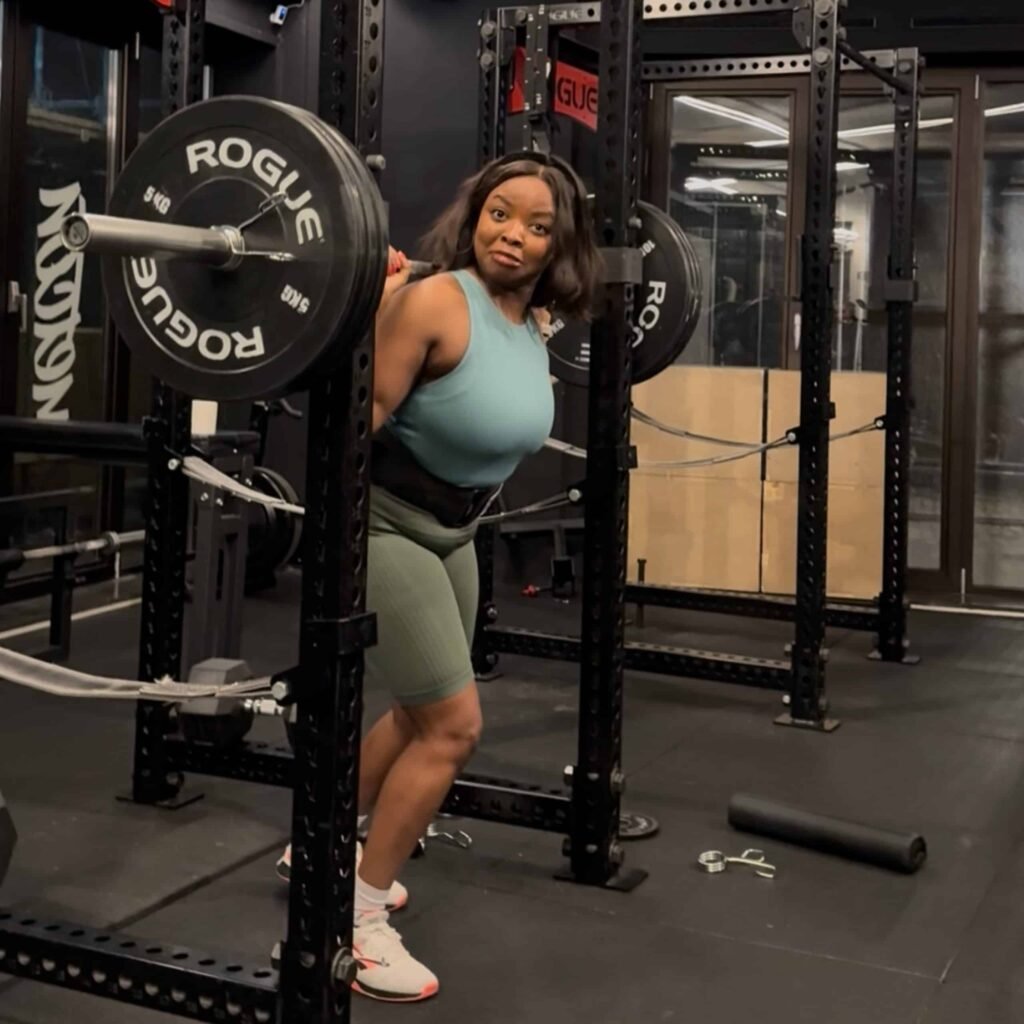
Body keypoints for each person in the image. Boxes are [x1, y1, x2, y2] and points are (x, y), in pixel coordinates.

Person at [277, 151, 600, 1003]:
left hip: (454, 535)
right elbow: (352, 425)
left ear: (558, 245)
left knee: (416, 712)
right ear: (475, 215)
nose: (513, 236)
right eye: (501, 214)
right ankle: (357, 917)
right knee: (453, 728)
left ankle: (318, 848)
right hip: (382, 525)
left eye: (537, 227)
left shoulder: (529, 324)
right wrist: (371, 307)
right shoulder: (433, 301)